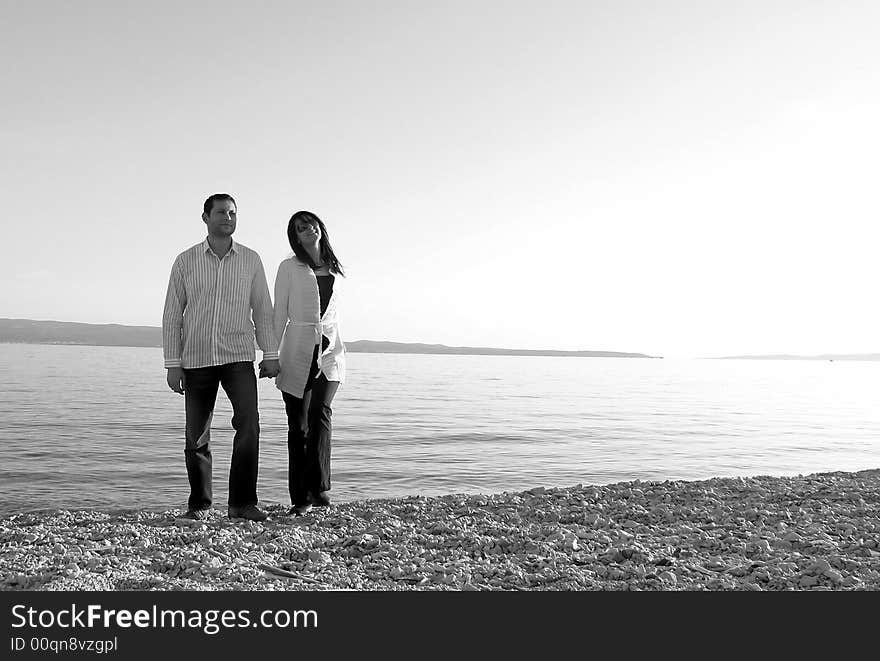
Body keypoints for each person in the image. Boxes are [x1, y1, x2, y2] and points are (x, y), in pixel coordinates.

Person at [162, 193, 280, 521]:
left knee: (249, 424)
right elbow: (173, 313)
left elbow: (263, 310)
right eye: (220, 212)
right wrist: (173, 363)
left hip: (238, 356)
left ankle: (242, 504)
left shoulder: (251, 260)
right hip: (196, 358)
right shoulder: (185, 261)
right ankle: (199, 505)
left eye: (232, 212)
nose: (227, 217)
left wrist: (271, 353)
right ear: (205, 218)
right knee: (196, 434)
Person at [273, 210, 346, 515]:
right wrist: (270, 355)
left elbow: (333, 315)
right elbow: (279, 313)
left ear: (320, 229)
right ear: (295, 236)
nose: (308, 230)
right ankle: (301, 497)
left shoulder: (334, 268)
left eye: (312, 225)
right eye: (301, 228)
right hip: (297, 350)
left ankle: (319, 489)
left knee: (321, 412)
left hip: (330, 352)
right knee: (298, 425)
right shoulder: (289, 267)